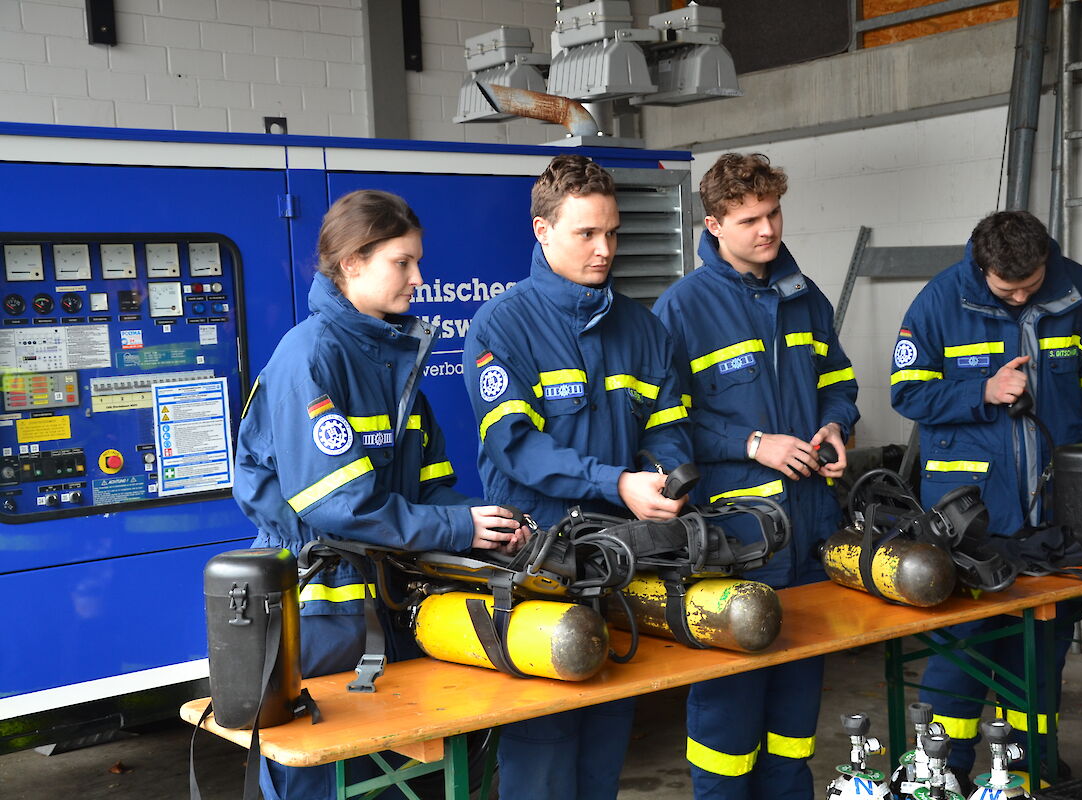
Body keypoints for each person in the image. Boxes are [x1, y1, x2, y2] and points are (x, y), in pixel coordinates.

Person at [233, 189, 527, 800]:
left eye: (418, 262)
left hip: (394, 604)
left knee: (406, 779)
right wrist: (457, 530)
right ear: (351, 264)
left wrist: (490, 524)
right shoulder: (310, 358)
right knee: (325, 779)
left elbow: (434, 486)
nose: (419, 279)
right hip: (322, 614)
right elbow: (340, 507)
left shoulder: (393, 362)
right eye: (403, 262)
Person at [462, 154, 693, 800]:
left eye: (612, 233)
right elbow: (517, 449)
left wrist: (663, 481)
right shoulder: (500, 327)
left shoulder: (645, 331)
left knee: (603, 748)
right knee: (543, 755)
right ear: (542, 231)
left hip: (619, 567)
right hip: (535, 566)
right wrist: (617, 482)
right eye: (586, 234)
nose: (604, 250)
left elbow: (668, 428)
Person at [890, 210, 1082, 784]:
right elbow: (907, 391)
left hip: (1058, 512)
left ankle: (1024, 765)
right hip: (972, 511)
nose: (1024, 294)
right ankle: (939, 772)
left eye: (1032, 283)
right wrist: (983, 390)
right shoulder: (939, 301)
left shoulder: (1078, 289)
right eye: (1010, 288)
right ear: (982, 270)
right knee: (963, 643)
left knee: (1043, 638)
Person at [653, 152, 860, 800]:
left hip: (808, 537)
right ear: (714, 224)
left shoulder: (805, 296)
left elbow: (838, 382)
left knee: (796, 721)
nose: (768, 230)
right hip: (734, 547)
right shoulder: (681, 310)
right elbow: (667, 425)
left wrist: (836, 425)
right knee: (727, 717)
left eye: (772, 214)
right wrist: (753, 443)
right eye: (749, 220)